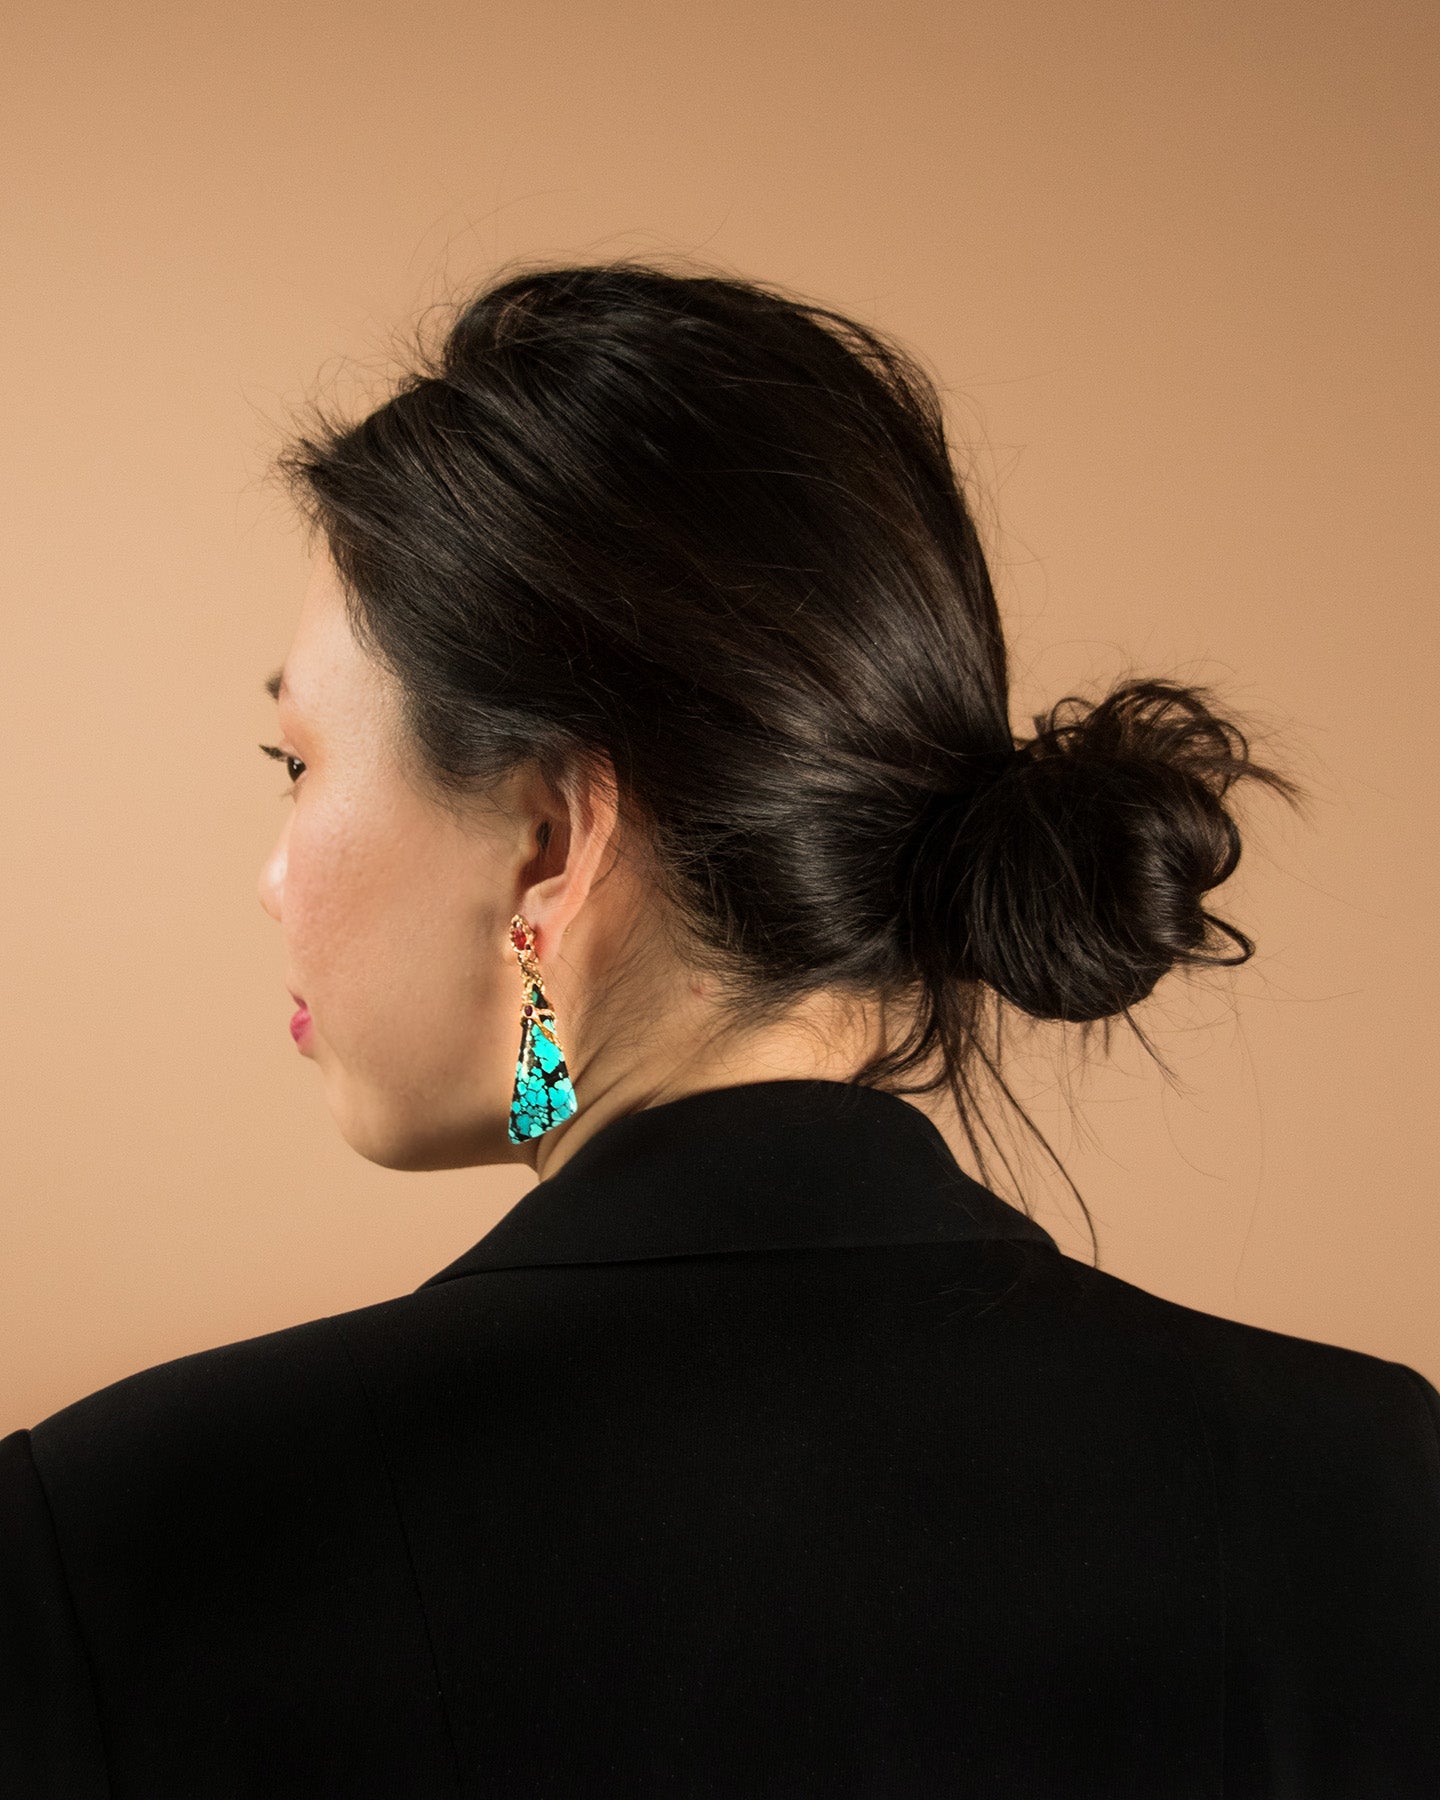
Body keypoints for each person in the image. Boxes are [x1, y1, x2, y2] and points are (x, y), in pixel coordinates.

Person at [1, 261, 1435, 1797]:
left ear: (549, 843)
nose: (273, 880)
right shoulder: (1371, 1491)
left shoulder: (108, 1541)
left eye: (296, 765)